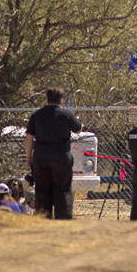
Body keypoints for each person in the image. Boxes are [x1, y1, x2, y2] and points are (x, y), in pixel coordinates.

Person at [24, 87, 82, 219]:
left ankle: (44, 220)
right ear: (62, 100)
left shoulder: (37, 115)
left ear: (46, 99)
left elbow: (28, 137)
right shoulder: (66, 114)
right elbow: (78, 129)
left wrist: (29, 157)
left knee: (42, 191)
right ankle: (63, 220)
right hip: (61, 158)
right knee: (63, 190)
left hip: (41, 157)